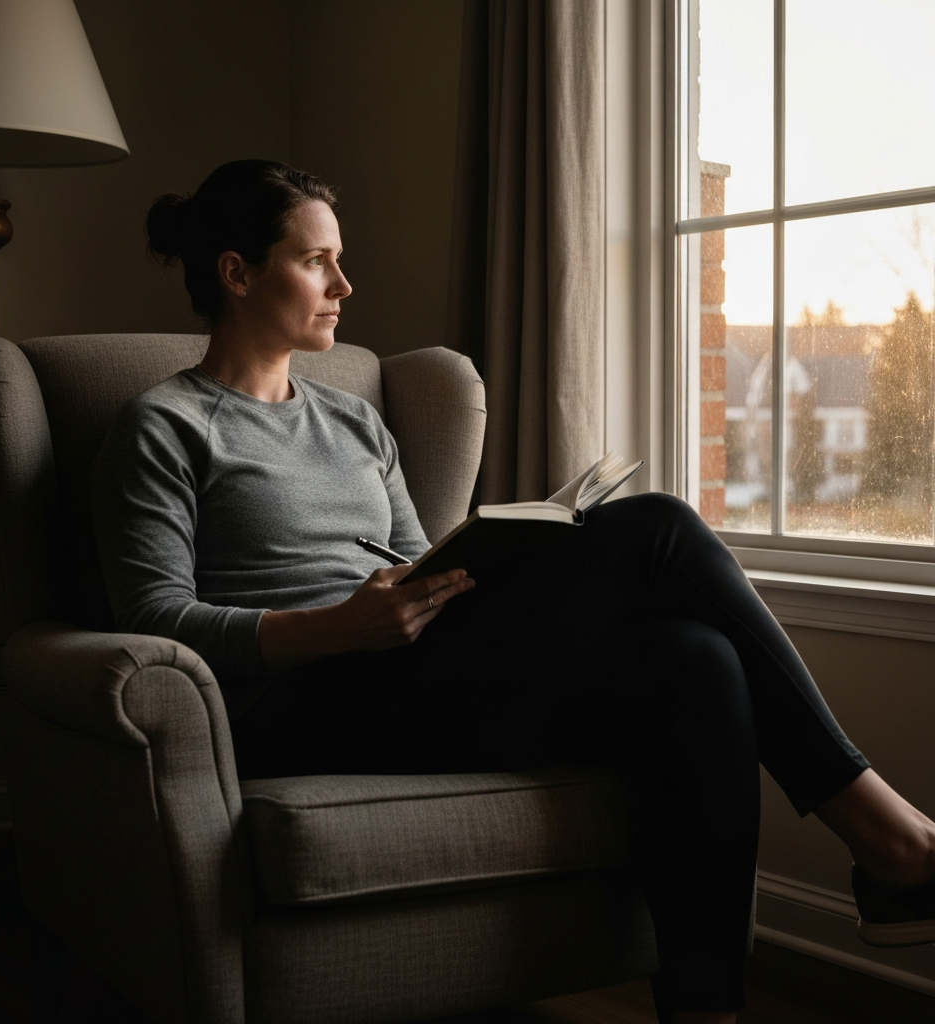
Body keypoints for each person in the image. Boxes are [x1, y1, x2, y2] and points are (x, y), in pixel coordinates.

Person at [91, 160, 935, 1024]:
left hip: (415, 674)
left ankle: (706, 1011)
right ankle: (891, 841)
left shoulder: (354, 420)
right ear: (236, 273)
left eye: (340, 259)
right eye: (316, 262)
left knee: (696, 658)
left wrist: (450, 583)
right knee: (660, 527)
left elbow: (416, 558)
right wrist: (337, 627)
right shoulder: (164, 426)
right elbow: (155, 619)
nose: (345, 283)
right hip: (295, 706)